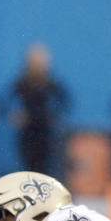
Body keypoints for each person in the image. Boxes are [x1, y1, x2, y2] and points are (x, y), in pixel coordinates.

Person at [7, 42, 70, 175]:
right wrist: (14, 115)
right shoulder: (22, 83)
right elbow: (4, 102)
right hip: (27, 132)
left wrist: (54, 116)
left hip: (45, 131)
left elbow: (65, 101)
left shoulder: (50, 83)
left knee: (44, 168)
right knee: (27, 167)